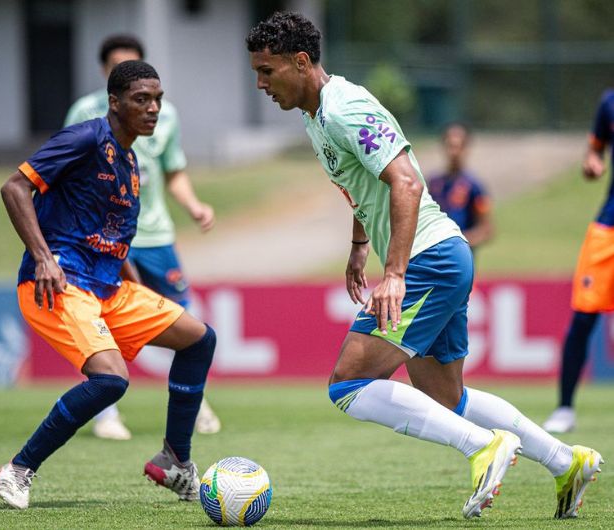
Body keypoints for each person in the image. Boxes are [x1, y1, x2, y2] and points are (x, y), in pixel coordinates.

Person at [246, 11, 602, 520]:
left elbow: (406, 183)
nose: (260, 83)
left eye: (266, 71)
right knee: (444, 395)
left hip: (427, 260)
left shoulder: (345, 109)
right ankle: (567, 461)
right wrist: (358, 243)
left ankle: (483, 447)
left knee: (348, 385)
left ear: (301, 62)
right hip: (440, 258)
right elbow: (362, 184)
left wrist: (393, 273)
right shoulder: (315, 113)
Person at [0, 60, 215, 509]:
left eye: (157, 99)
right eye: (141, 100)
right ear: (114, 102)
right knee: (112, 380)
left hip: (107, 286)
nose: (153, 108)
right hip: (57, 282)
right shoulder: (85, 137)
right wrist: (42, 258)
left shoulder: (132, 163)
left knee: (199, 339)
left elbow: (112, 241)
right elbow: (14, 188)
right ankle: (19, 468)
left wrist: (137, 289)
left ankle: (176, 461)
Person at [64, 35, 221, 440]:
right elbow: (64, 172)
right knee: (102, 324)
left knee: (186, 322)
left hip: (155, 234)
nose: (147, 103)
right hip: (103, 241)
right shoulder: (84, 113)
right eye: (119, 66)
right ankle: (107, 414)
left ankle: (194, 400)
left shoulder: (165, 115)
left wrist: (194, 205)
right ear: (106, 75)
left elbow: (174, 171)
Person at [543, 89, 614, 434]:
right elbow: (596, 149)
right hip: (608, 227)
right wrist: (593, 163)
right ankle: (565, 407)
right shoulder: (609, 103)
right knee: (583, 317)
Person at [427, 123, 493, 251]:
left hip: (461, 259)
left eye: (459, 147)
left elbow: (486, 230)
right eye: (450, 146)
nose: (454, 152)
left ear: (467, 148)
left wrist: (458, 241)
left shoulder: (474, 186)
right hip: (434, 257)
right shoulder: (433, 183)